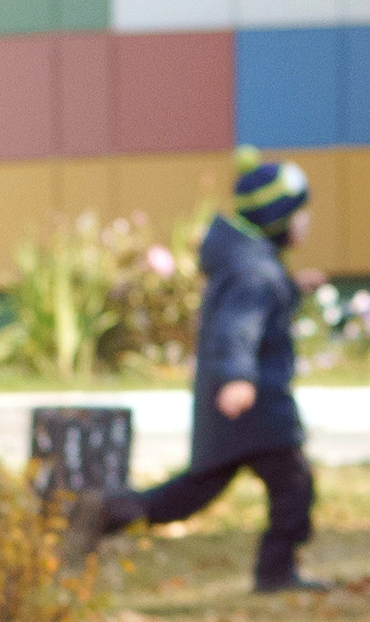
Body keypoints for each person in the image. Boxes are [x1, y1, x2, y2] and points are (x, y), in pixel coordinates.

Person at [87, 158, 324, 597]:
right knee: (293, 487)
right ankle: (275, 573)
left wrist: (292, 290)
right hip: (254, 408)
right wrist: (239, 378)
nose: (306, 223)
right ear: (278, 219)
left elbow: (250, 309)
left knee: (191, 495)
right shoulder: (255, 271)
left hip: (245, 409)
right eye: (299, 213)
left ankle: (106, 513)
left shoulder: (251, 263)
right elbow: (236, 329)